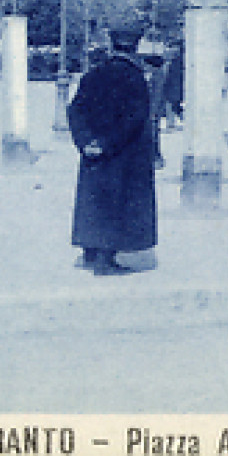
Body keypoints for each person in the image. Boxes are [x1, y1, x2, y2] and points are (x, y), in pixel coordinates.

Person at [66, 23, 158, 276]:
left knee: (93, 199)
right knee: (119, 202)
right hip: (122, 154)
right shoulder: (135, 78)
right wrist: (108, 144)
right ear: (134, 47)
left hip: (92, 153)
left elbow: (75, 110)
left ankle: (89, 251)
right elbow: (135, 118)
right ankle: (106, 260)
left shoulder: (94, 74)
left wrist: (86, 142)